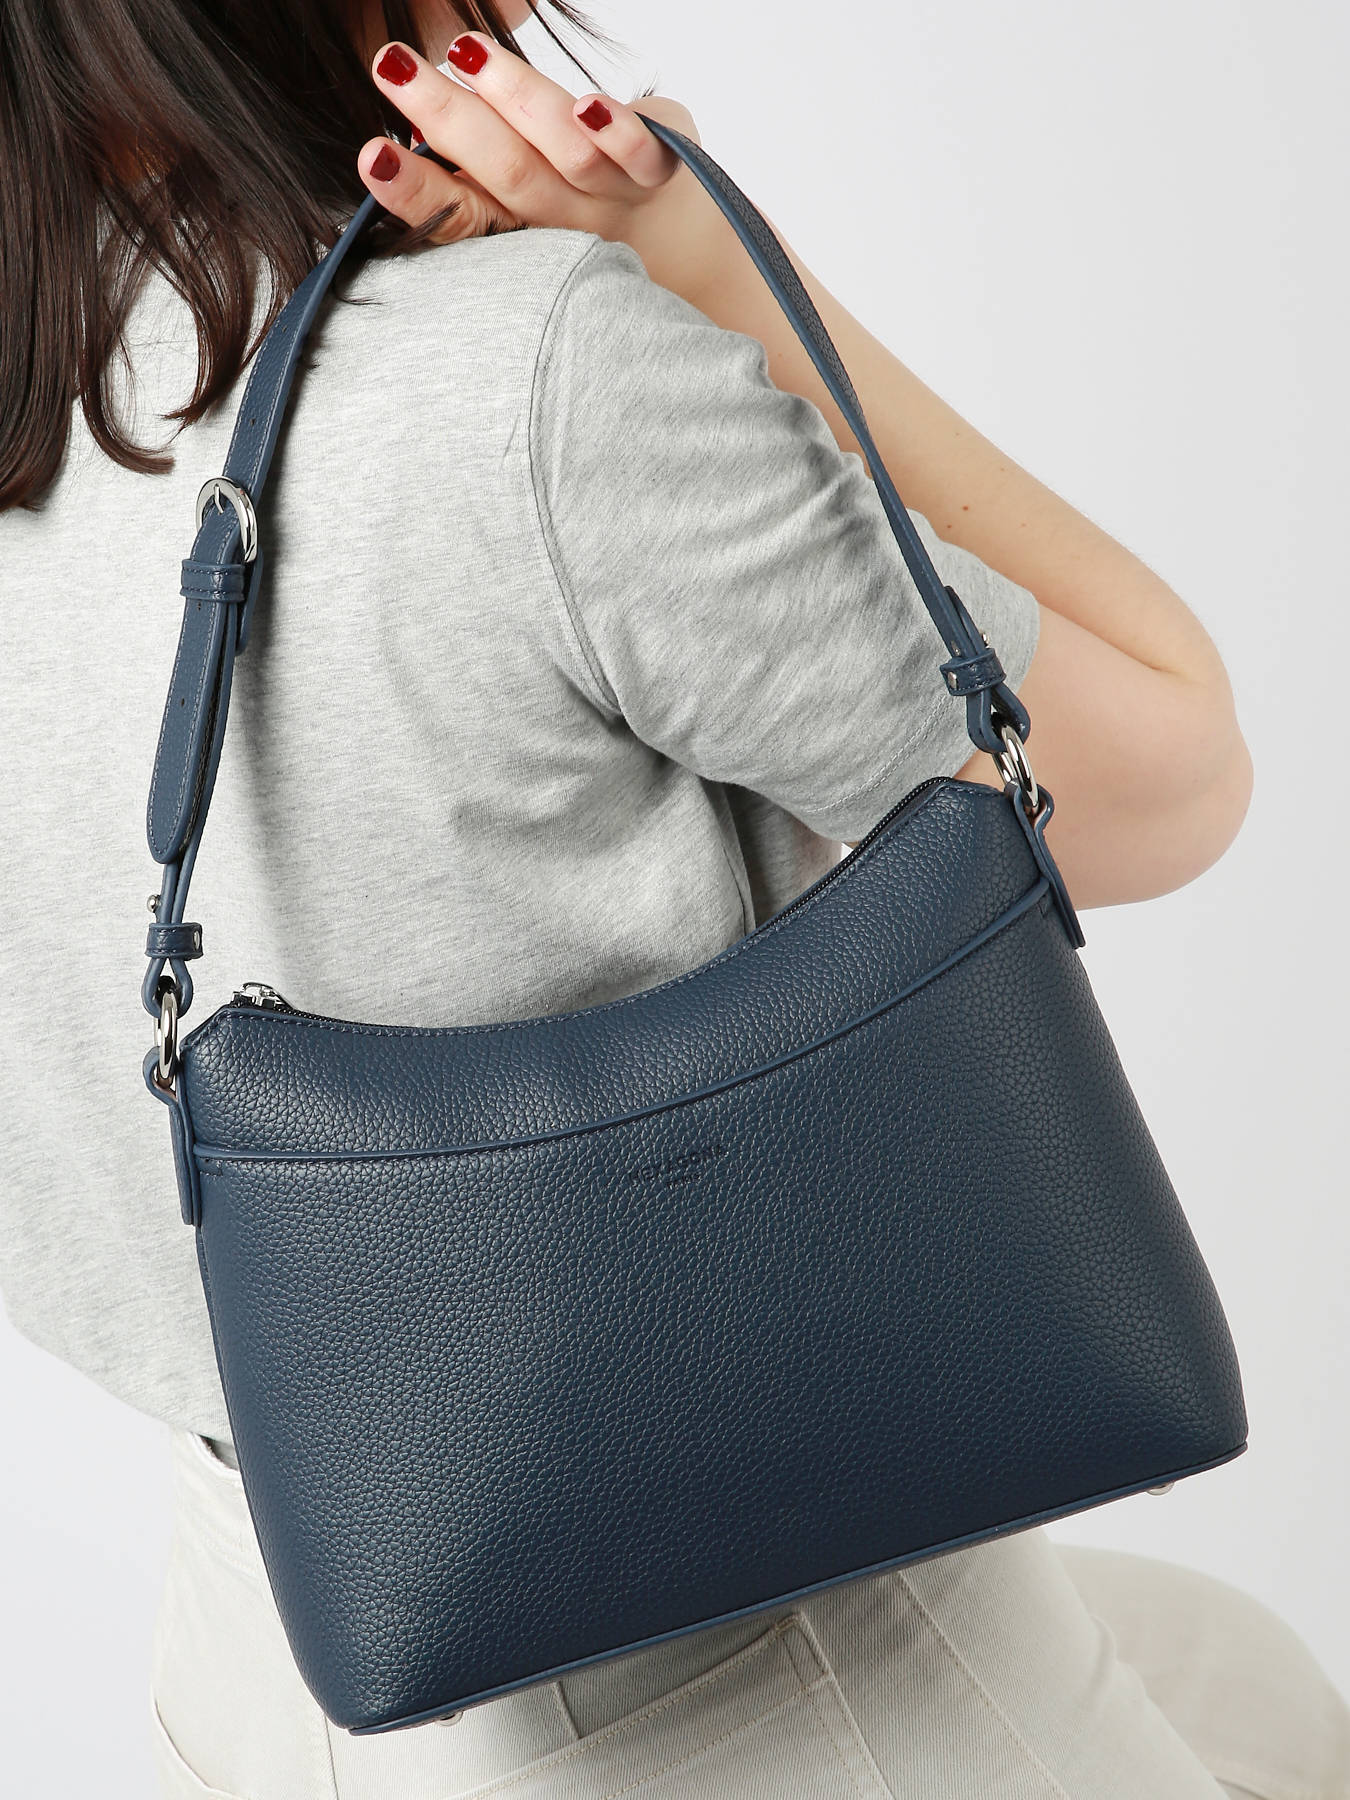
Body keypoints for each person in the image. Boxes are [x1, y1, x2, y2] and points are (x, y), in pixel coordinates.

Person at [0, 2, 1345, 1795]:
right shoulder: (517, 375)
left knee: (1253, 1683)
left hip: (259, 1649)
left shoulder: (48, 408)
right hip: (751, 1656)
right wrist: (715, 269)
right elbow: (1171, 776)